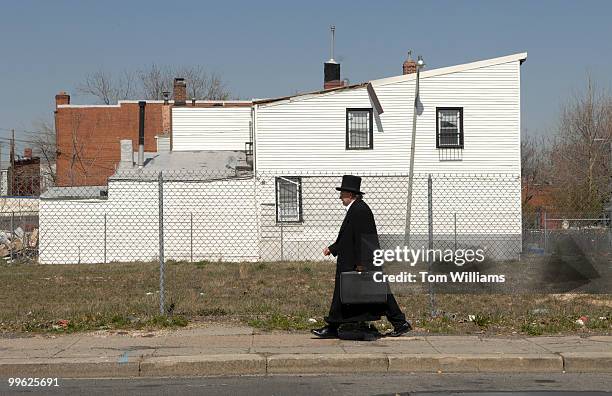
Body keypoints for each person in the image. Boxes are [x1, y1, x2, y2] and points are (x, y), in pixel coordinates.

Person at [311, 175, 412, 339]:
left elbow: (364, 239)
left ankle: (333, 327)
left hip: (359, 262)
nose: (340, 197)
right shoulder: (356, 209)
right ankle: (334, 326)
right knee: (361, 294)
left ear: (350, 194)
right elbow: (348, 237)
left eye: (342, 193)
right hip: (354, 261)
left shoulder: (360, 211)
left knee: (375, 293)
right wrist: (332, 248)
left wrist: (361, 264)